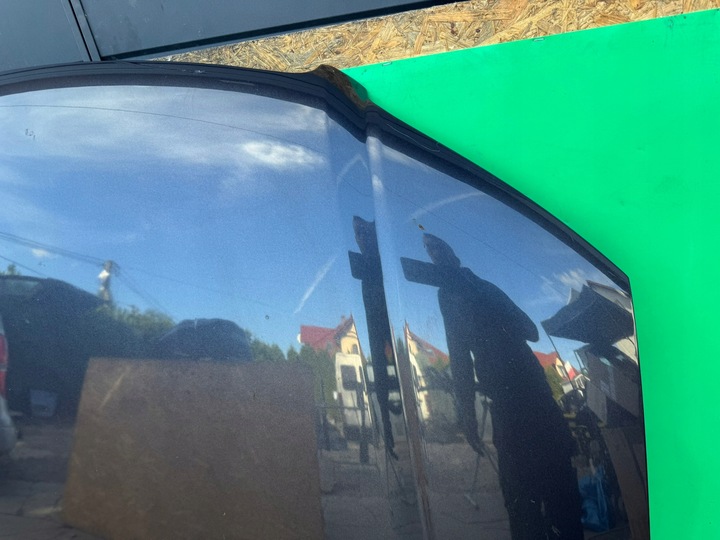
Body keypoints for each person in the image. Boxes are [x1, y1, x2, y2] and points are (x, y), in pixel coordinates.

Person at [422, 233, 583, 540]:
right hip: (523, 404)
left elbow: (530, 331)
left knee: (546, 502)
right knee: (536, 504)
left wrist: (490, 315)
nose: (433, 254)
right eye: (429, 251)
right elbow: (460, 357)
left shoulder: (474, 291)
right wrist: (467, 414)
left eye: (437, 247)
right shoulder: (456, 293)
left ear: (453, 255)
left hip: (529, 403)